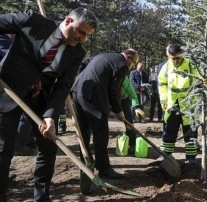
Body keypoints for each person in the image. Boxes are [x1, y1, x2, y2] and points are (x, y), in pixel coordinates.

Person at [0, 8, 97, 201]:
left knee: (49, 146)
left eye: (87, 36)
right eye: (81, 32)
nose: (83, 38)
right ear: (68, 20)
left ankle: (42, 197)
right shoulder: (32, 22)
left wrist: (50, 115)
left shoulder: (77, 52)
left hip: (39, 98)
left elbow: (63, 86)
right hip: (8, 91)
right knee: (3, 150)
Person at [71, 49, 139, 179]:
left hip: (77, 91)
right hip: (94, 97)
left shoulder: (104, 55)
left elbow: (84, 62)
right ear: (129, 57)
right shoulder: (121, 65)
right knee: (101, 133)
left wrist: (78, 80)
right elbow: (112, 90)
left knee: (83, 131)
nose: (132, 66)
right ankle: (104, 169)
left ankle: (86, 163)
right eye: (133, 63)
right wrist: (119, 111)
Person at [156, 44, 200, 165]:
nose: (175, 61)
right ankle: (165, 154)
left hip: (189, 104)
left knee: (190, 131)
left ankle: (191, 157)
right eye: (173, 58)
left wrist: (204, 81)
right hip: (172, 104)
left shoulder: (191, 65)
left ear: (182, 55)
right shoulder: (166, 66)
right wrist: (163, 100)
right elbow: (162, 84)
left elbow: (200, 78)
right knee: (169, 129)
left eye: (177, 58)